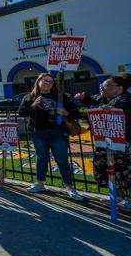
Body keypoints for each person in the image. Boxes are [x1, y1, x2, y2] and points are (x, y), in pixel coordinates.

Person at [18, 73, 83, 201]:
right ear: (38, 81)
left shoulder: (61, 97)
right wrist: (33, 105)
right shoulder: (30, 97)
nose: (48, 83)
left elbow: (76, 113)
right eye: (45, 80)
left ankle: (69, 187)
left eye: (51, 81)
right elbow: (21, 112)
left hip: (57, 133)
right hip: (38, 134)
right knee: (41, 158)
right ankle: (40, 183)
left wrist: (65, 112)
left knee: (62, 160)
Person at [76, 75, 131, 210]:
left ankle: (129, 200)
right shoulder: (104, 97)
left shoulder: (125, 99)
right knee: (111, 171)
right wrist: (84, 99)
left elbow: (122, 108)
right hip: (106, 141)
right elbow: (92, 100)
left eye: (106, 85)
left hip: (122, 143)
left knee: (125, 171)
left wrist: (109, 108)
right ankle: (118, 197)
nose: (101, 87)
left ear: (119, 88)